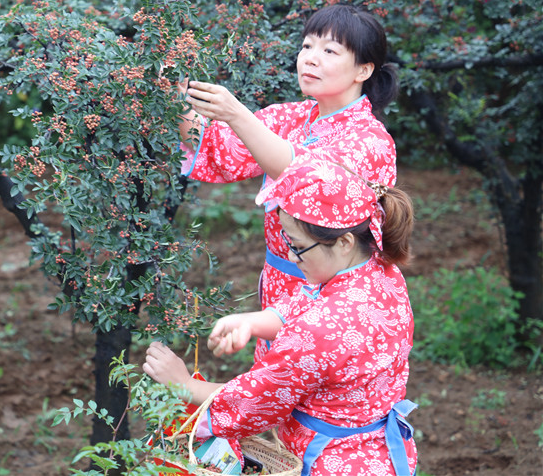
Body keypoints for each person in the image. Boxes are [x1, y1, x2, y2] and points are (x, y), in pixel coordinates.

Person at [144, 156, 417, 476]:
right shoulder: (382, 272)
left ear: (343, 242)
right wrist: (253, 322)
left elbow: (255, 401)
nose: (289, 254)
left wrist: (183, 384)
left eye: (298, 246)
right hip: (380, 455)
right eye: (287, 240)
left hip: (331, 464)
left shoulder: (315, 334)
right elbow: (313, 303)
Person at [178, 3, 399, 362]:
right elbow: (222, 152)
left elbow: (307, 174)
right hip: (279, 285)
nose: (310, 59)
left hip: (333, 293)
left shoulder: (371, 142)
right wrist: (174, 95)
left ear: (364, 69)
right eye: (307, 46)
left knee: (308, 393)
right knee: (277, 392)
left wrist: (236, 114)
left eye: (329, 51)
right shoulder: (291, 117)